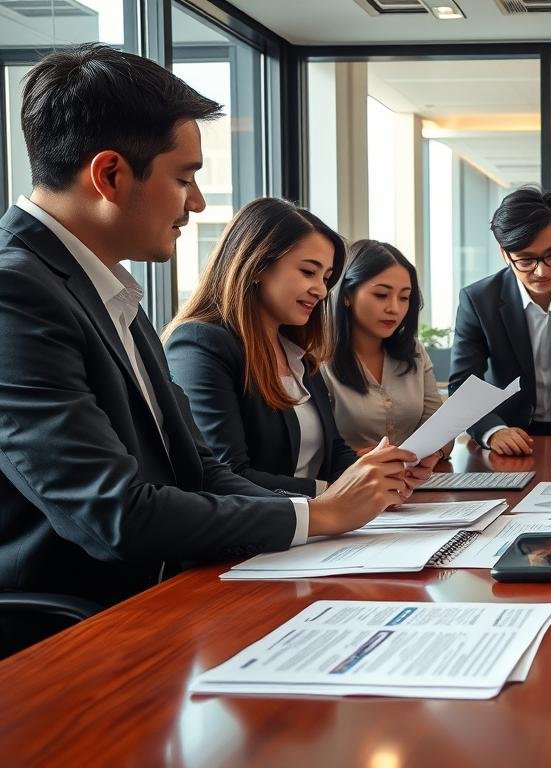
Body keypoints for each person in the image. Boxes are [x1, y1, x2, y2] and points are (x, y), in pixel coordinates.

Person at [0, 45, 413, 619]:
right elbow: (115, 513)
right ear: (110, 175)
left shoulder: (110, 289)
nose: (195, 203)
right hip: (80, 627)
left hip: (176, 595)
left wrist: (333, 509)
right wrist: (319, 514)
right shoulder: (15, 293)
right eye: (184, 178)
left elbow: (200, 469)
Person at [165, 198, 436, 497]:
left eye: (326, 278)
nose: (321, 290)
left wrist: (389, 472)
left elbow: (334, 453)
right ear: (257, 265)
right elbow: (226, 475)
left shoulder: (296, 352)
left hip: (318, 529)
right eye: (309, 272)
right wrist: (336, 493)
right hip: (263, 534)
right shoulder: (200, 344)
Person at [447, 187, 551, 456]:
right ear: (505, 254)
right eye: (526, 259)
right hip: (508, 433)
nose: (542, 271)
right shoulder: (479, 299)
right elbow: (464, 383)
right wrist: (491, 431)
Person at [323, 239, 447, 458]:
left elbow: (439, 428)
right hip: (347, 483)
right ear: (346, 295)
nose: (395, 309)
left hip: (413, 481)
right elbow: (315, 447)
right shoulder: (318, 358)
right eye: (381, 295)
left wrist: (434, 453)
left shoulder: (413, 350)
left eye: (404, 297)